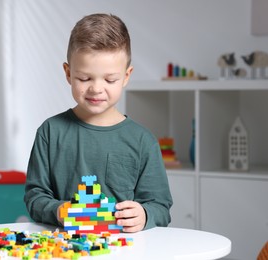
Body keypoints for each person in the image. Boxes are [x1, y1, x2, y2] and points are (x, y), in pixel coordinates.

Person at [24, 13, 172, 232]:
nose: (96, 88)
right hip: (65, 248)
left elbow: (160, 206)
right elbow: (35, 197)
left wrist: (144, 214)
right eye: (84, 78)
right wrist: (58, 210)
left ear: (126, 76)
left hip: (125, 249)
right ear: (68, 73)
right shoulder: (50, 132)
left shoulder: (142, 141)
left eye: (110, 80)